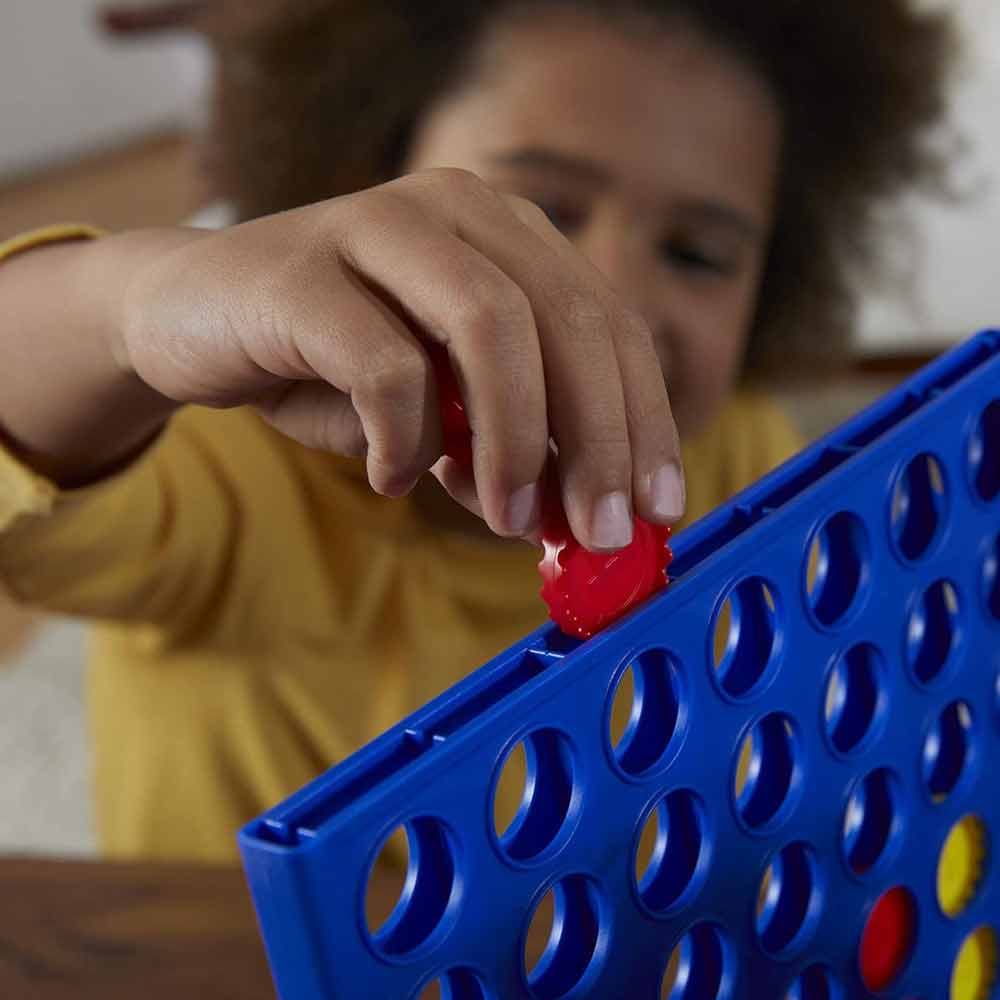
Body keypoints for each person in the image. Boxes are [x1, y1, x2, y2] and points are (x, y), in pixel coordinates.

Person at [0, 1, 954, 860]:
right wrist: (132, 305)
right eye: (531, 213)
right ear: (364, 180)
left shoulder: (736, 457)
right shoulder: (233, 460)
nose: (610, 294)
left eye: (699, 253)